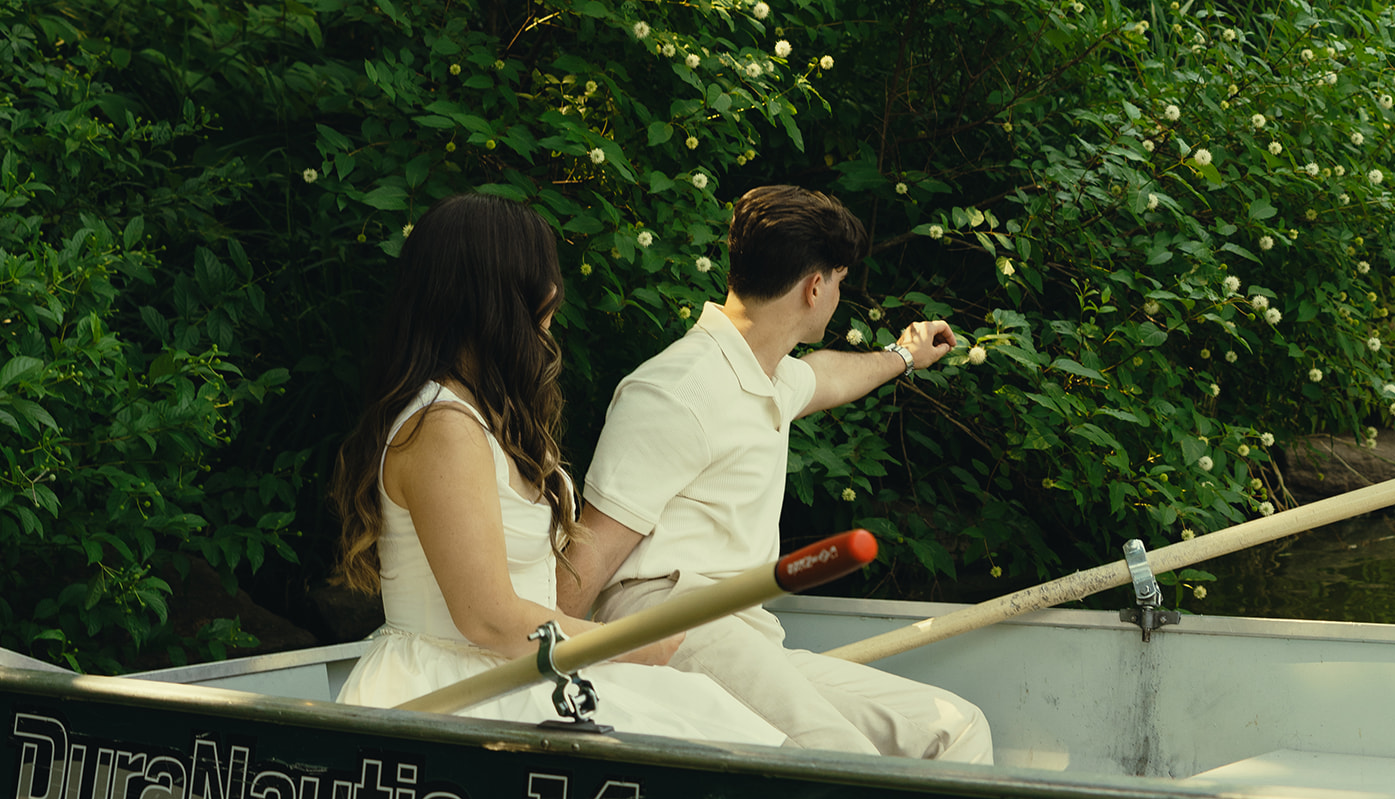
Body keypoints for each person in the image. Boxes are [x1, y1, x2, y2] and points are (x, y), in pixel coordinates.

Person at [327, 192, 785, 746]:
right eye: (544, 277)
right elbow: (488, 619)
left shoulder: (485, 416)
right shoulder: (442, 427)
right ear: (503, 292)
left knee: (722, 731)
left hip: (518, 669)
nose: (554, 297)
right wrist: (629, 641)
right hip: (456, 689)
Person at [557, 185, 993, 762]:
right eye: (839, 280)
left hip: (748, 634)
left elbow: (827, 377)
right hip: (672, 622)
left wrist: (905, 355)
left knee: (955, 730)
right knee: (847, 764)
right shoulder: (674, 392)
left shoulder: (766, 376)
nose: (838, 294)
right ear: (816, 287)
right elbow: (586, 559)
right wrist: (532, 669)